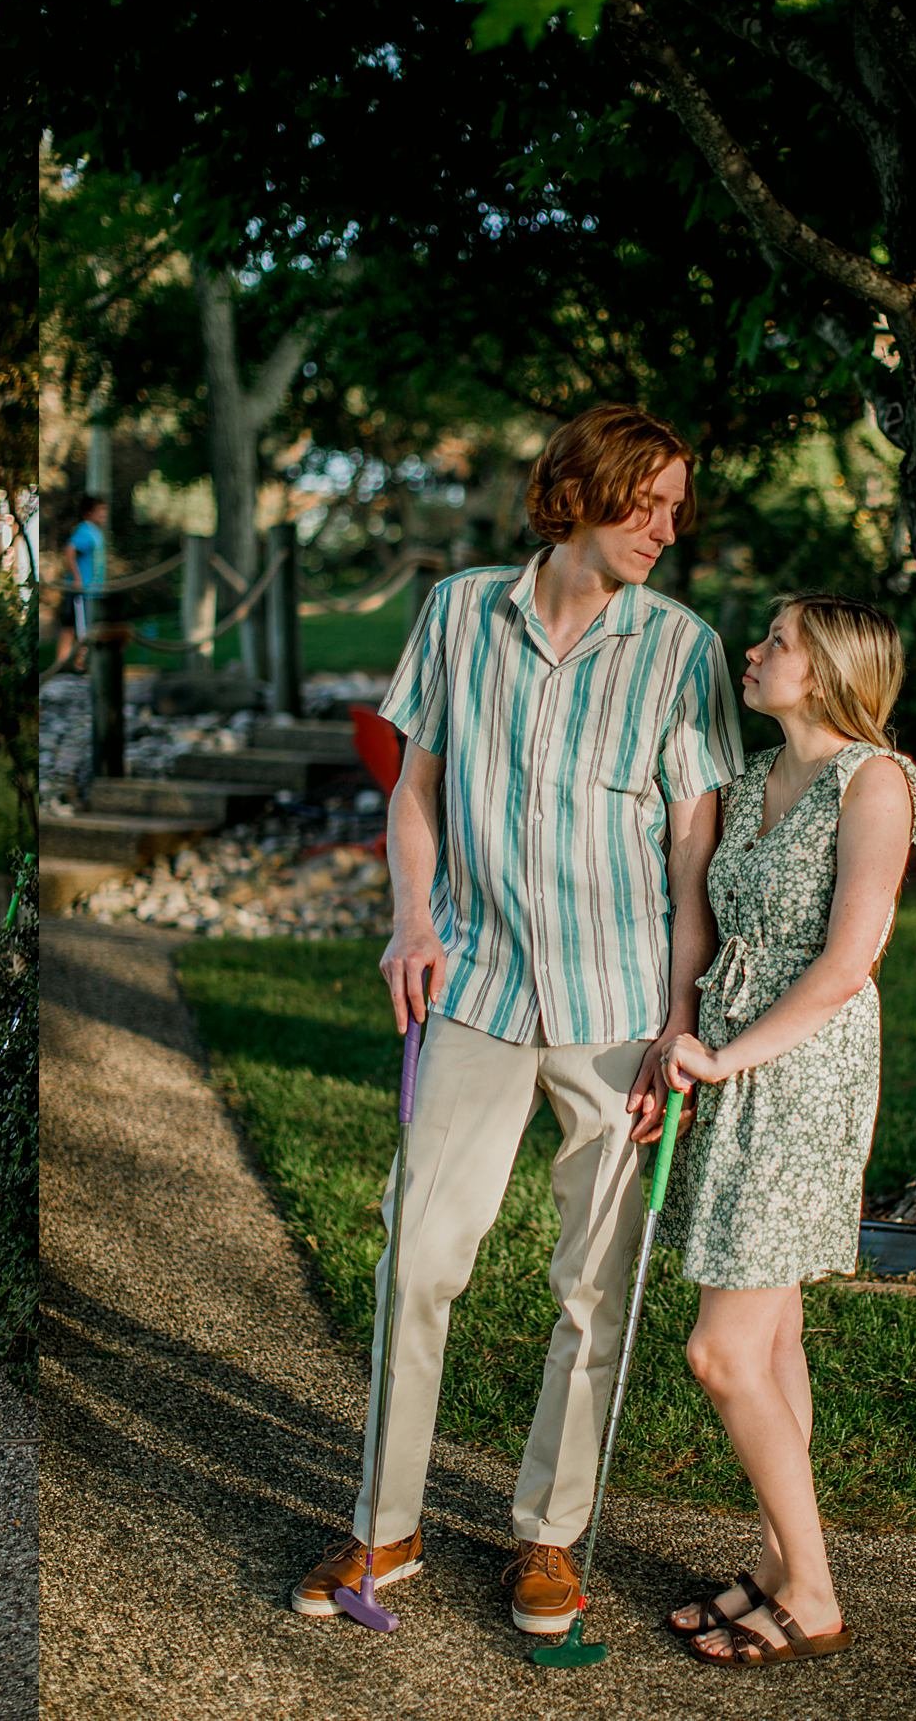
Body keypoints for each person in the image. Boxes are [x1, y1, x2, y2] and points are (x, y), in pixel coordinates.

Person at [287, 402, 745, 1636]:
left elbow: (692, 852)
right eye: (643, 501)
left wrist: (678, 1018)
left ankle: (546, 1538)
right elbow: (414, 784)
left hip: (619, 1010)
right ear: (575, 495)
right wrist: (410, 919)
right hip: (479, 985)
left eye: (673, 506)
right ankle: (383, 1526)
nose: (665, 526)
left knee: (594, 1287)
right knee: (415, 1258)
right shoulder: (457, 610)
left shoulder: (682, 647)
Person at [654, 593, 916, 1666]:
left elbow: (845, 962)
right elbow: (697, 917)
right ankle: (776, 1559)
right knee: (768, 1339)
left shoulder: (871, 781)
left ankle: (811, 1589)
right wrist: (680, 1036)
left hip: (799, 1074)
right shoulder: (741, 783)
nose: (753, 651)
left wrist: (725, 1054)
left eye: (775, 640)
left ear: (820, 670)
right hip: (722, 1061)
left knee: (718, 1351)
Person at [46, 494, 106, 675]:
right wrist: (78, 578)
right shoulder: (85, 530)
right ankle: (76, 666)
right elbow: (70, 551)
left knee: (72, 627)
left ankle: (65, 665)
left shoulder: (95, 532)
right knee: (80, 628)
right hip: (82, 591)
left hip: (91, 590)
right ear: (89, 512)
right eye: (100, 511)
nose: (104, 514)